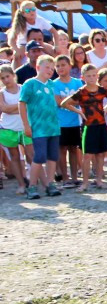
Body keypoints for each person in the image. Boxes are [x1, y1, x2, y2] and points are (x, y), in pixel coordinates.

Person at [60, 63, 107, 192]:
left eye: (94, 75)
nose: (92, 78)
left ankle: (99, 180)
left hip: (101, 124)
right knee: (87, 155)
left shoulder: (102, 90)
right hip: (88, 126)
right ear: (83, 77)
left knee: (101, 154)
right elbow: (64, 103)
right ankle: (85, 183)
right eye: (88, 76)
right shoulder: (82, 92)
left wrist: (105, 110)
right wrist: (79, 111)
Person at [18, 54, 62, 199]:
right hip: (38, 128)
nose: (50, 70)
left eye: (52, 68)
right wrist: (26, 125)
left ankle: (50, 184)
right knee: (39, 156)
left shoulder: (51, 84)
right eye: (47, 67)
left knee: (52, 157)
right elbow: (22, 104)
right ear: (38, 67)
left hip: (53, 126)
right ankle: (31, 186)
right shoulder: (29, 84)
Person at [51, 55, 84, 188]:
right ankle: (65, 178)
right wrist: (70, 99)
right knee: (62, 150)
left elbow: (81, 99)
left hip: (75, 122)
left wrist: (66, 99)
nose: (60, 68)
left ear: (70, 66)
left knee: (74, 149)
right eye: (57, 66)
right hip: (61, 122)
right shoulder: (54, 84)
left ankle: (75, 177)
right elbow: (59, 102)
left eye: (63, 65)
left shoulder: (77, 83)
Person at [0, 64, 30, 193]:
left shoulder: (23, 89)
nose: (6, 80)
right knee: (14, 156)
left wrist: (12, 108)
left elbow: (29, 105)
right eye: (3, 78)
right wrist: (20, 107)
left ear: (13, 75)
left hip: (24, 126)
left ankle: (32, 179)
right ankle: (21, 183)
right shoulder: (1, 93)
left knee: (30, 155)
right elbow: (4, 109)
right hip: (8, 127)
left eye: (8, 76)